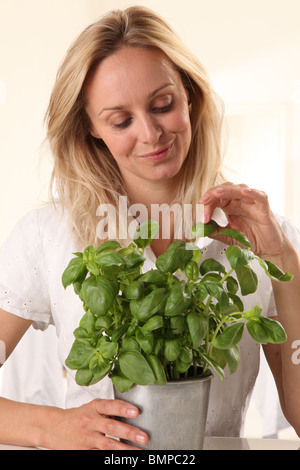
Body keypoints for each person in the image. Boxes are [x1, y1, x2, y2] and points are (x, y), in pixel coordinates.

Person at [0, 6, 299, 450]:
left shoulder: (263, 236)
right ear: (91, 128)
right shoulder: (48, 234)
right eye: (121, 120)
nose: (151, 133)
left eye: (163, 104)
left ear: (190, 96)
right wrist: (52, 427)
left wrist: (284, 265)